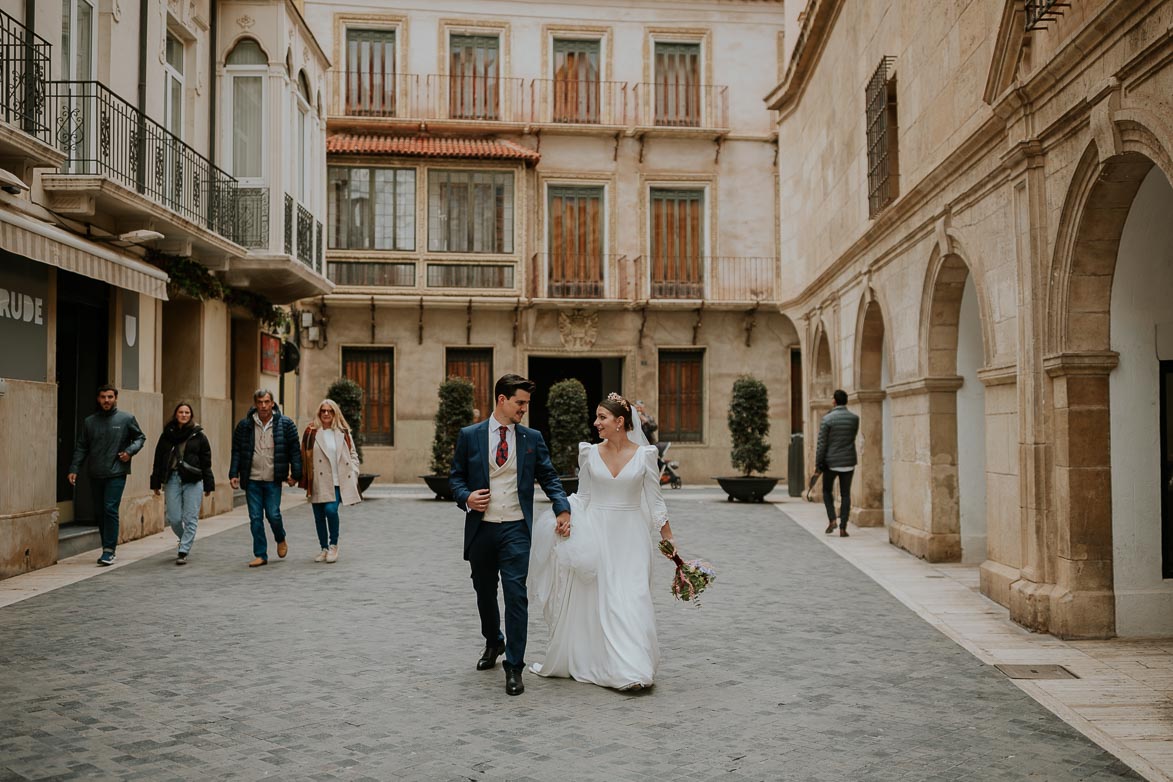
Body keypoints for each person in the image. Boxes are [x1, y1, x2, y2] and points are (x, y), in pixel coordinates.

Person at [528, 392, 676, 691]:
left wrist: (669, 540)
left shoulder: (645, 456)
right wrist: (567, 518)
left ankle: (635, 667)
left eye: (602, 417)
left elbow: (655, 502)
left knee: (632, 598)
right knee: (604, 600)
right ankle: (612, 666)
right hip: (597, 532)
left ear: (620, 422)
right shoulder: (589, 453)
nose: (596, 423)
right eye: (597, 417)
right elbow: (583, 496)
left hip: (632, 536)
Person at [449, 374, 571, 696]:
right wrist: (466, 498)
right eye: (520, 403)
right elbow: (456, 477)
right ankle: (494, 642)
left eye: (526, 404)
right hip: (482, 528)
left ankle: (514, 666)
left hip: (516, 527)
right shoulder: (470, 435)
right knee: (485, 592)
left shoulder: (531, 438)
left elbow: (548, 475)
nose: (524, 410)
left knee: (516, 595)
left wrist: (562, 507)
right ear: (501, 400)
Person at [68, 385, 147, 566]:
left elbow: (140, 438)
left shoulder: (126, 418)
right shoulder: (90, 422)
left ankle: (109, 551)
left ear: (116, 398)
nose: (106, 400)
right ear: (98, 399)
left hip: (117, 471)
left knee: (110, 508)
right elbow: (82, 447)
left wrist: (129, 451)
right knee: (100, 512)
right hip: (95, 472)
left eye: (110, 397)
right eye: (103, 397)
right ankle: (107, 547)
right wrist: (74, 469)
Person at [229, 389, 301, 567]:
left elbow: (294, 451)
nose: (263, 406)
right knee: (255, 518)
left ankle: (280, 537)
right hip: (252, 479)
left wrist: (296, 475)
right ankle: (261, 554)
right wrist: (233, 473)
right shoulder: (244, 425)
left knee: (273, 514)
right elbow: (237, 451)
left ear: (272, 403)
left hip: (273, 479)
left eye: (266, 402)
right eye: (260, 402)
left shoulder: (286, 424)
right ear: (255, 404)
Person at [149, 402, 215, 565]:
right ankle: (184, 538)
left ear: (191, 415)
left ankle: (183, 550)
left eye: (187, 412)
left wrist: (208, 484)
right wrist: (155, 482)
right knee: (174, 517)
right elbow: (158, 459)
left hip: (193, 480)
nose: (184, 415)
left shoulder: (199, 435)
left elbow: (206, 461)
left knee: (190, 517)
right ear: (176, 414)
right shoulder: (167, 435)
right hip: (172, 478)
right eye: (181, 412)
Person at [299, 399, 361, 564]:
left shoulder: (343, 432)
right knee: (319, 516)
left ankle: (334, 545)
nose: (326, 414)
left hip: (337, 481)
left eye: (330, 411)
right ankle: (323, 548)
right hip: (318, 481)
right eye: (323, 411)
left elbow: (353, 454)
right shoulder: (311, 432)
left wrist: (354, 472)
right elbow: (303, 455)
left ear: (335, 413)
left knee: (331, 511)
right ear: (319, 413)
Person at [816, 389, 860, 537]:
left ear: (834, 401)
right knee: (846, 494)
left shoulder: (827, 419)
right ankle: (843, 528)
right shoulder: (854, 419)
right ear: (846, 401)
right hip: (848, 462)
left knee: (827, 491)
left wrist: (818, 464)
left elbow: (822, 444)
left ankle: (832, 519)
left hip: (831, 462)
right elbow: (850, 438)